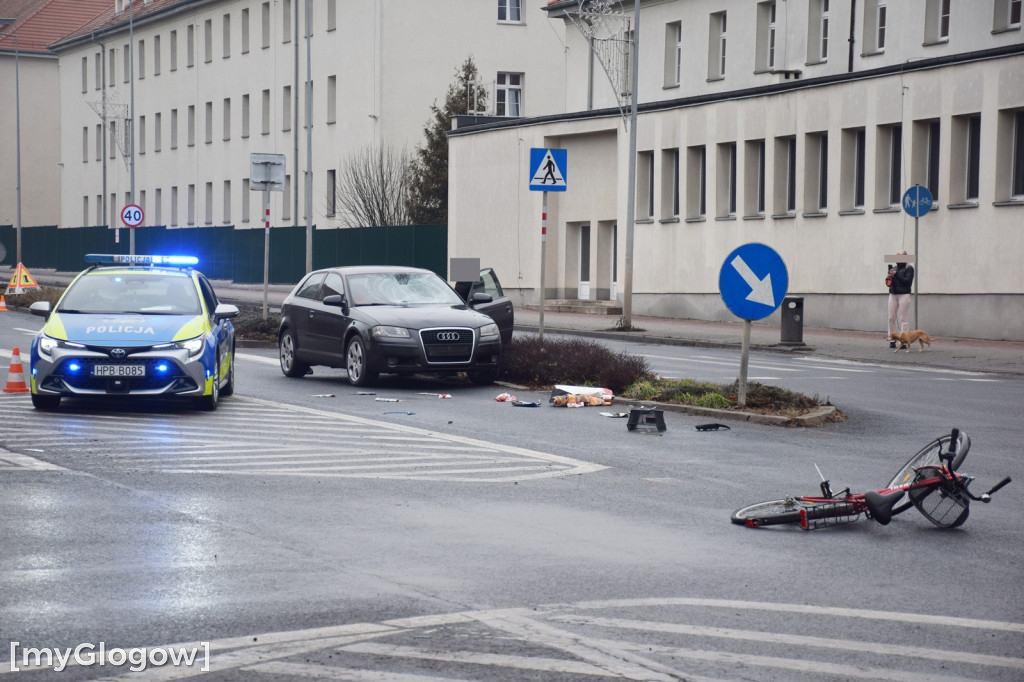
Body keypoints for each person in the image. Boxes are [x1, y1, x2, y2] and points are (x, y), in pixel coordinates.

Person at [887, 251, 915, 347]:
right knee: (891, 318)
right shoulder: (894, 268)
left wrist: (897, 274)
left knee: (903, 318)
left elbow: (907, 281)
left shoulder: (909, 268)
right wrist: (889, 277)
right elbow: (889, 284)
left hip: (904, 294)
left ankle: (903, 341)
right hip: (893, 294)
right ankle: (892, 339)